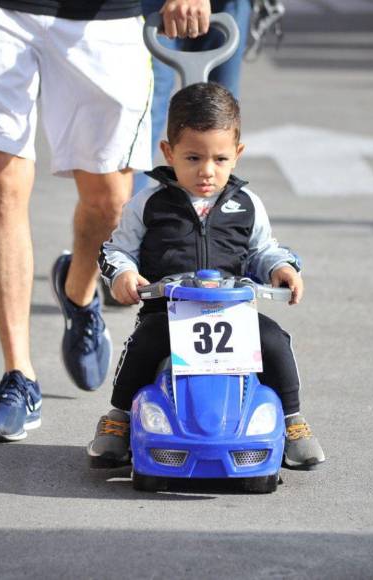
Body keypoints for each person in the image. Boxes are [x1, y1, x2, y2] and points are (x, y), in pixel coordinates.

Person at [0, 0, 211, 441]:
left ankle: (77, 292)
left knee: (111, 200)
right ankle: (18, 376)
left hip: (103, 15)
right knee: (1, 181)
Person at [90, 82, 326, 469]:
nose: (206, 171)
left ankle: (292, 418)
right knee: (144, 342)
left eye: (219, 159)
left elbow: (263, 249)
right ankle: (118, 417)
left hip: (231, 314)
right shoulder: (147, 204)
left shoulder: (247, 204)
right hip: (167, 312)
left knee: (275, 339)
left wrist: (281, 268)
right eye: (193, 158)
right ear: (168, 153)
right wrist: (124, 274)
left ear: (237, 154)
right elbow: (116, 250)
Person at [133, 0, 251, 194]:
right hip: (154, 8)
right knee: (144, 116)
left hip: (227, 6)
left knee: (222, 121)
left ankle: (220, 216)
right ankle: (130, 217)